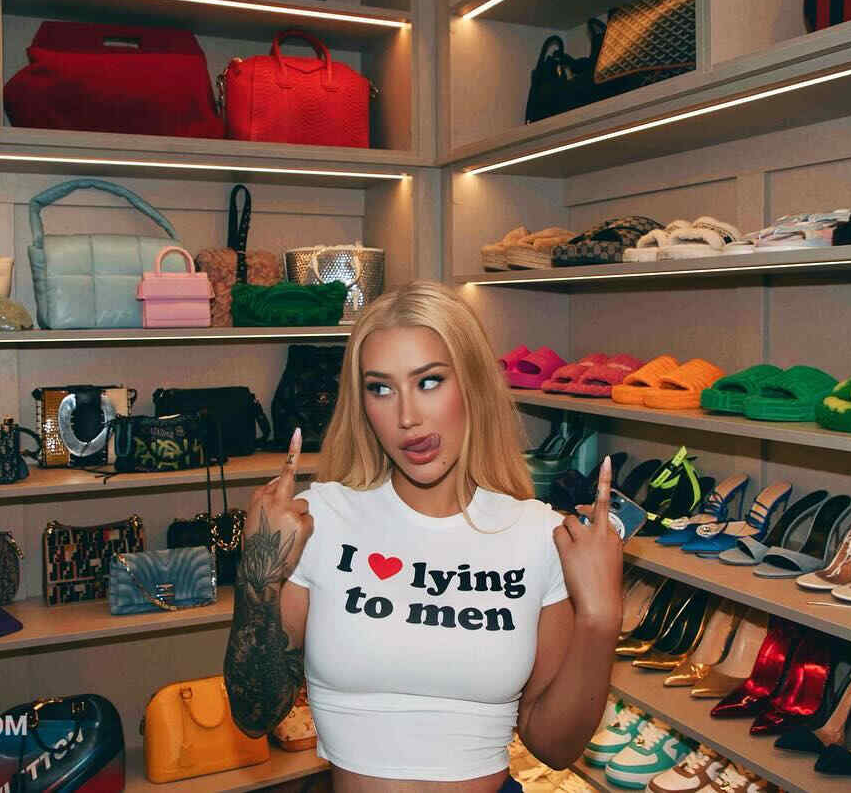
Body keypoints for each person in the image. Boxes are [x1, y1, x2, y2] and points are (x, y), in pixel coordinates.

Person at [225, 280, 623, 792]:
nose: (407, 417)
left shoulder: (536, 534)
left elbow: (555, 747)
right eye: (381, 388)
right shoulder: (318, 519)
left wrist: (600, 616)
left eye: (429, 381)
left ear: (473, 383)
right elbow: (255, 713)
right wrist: (258, 570)